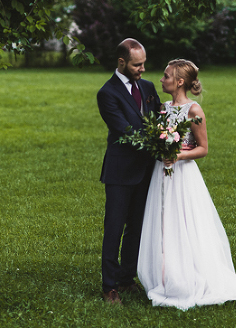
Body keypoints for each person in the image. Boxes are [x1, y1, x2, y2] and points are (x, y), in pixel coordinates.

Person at [137, 59, 236, 309]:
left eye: (166, 76)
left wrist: (177, 155)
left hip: (183, 174)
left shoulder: (194, 110)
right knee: (164, 222)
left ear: (179, 82)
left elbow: (203, 148)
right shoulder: (164, 108)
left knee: (184, 222)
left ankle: (189, 275)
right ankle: (165, 275)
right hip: (161, 173)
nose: (161, 80)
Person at [96, 38, 161, 305]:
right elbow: (125, 132)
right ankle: (109, 286)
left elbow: (159, 119)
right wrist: (159, 143)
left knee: (136, 227)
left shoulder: (148, 87)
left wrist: (168, 136)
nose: (142, 69)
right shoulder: (107, 93)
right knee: (114, 228)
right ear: (122, 62)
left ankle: (126, 278)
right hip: (120, 171)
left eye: (144, 63)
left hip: (146, 170)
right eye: (137, 65)